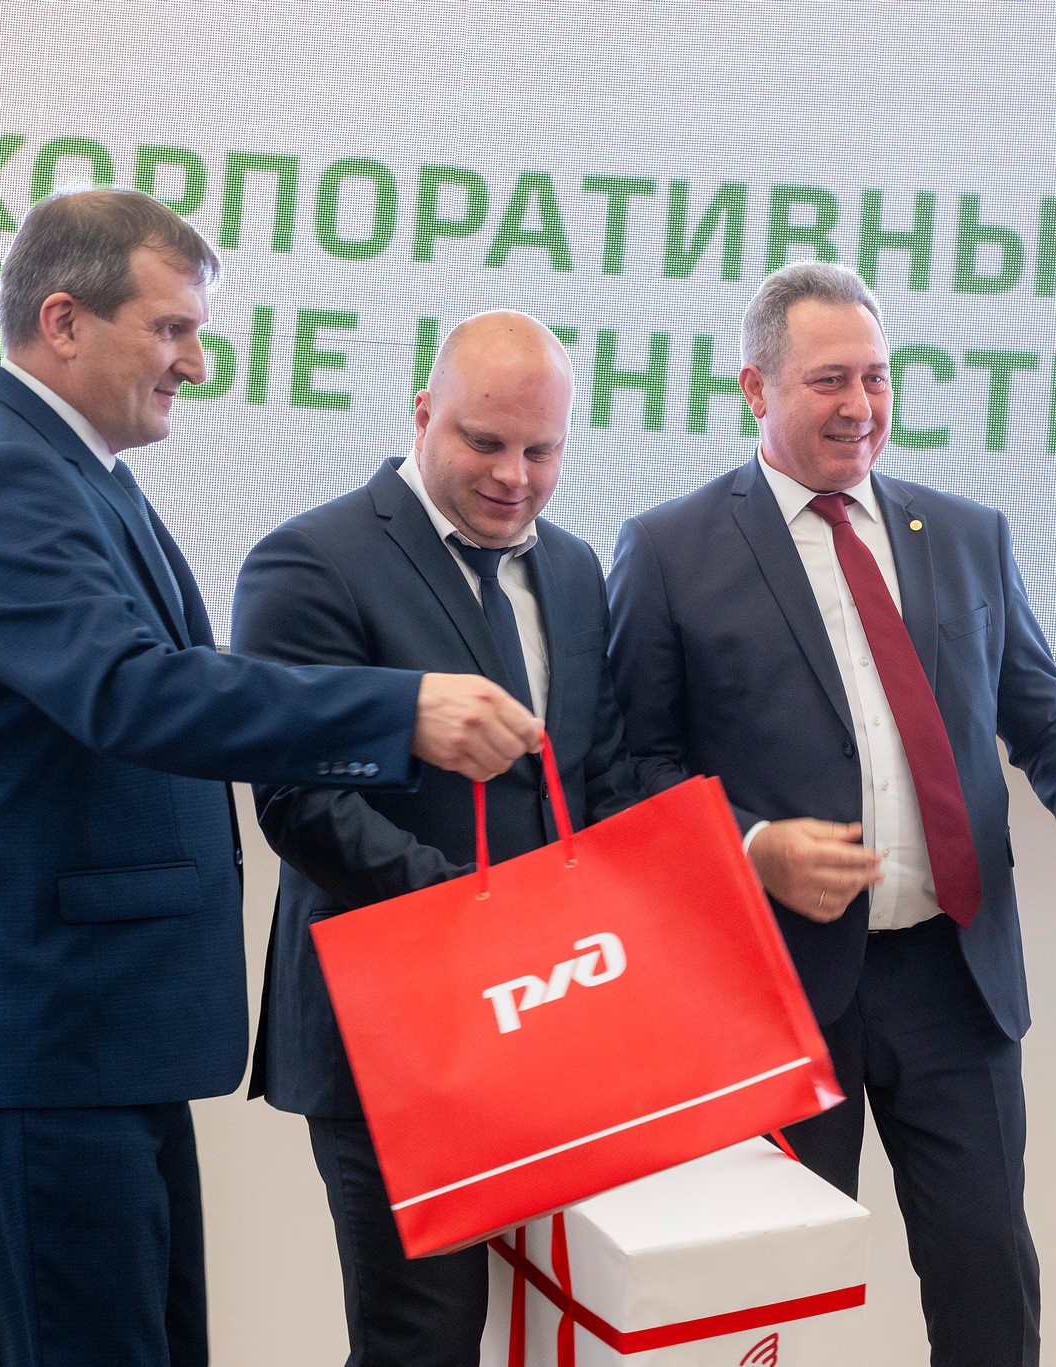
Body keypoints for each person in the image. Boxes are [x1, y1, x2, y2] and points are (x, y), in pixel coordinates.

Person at [0, 189, 541, 1367]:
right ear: (62, 320)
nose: (195, 362)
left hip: (100, 1040)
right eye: (170, 329)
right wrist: (397, 708)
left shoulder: (74, 469)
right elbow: (133, 692)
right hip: (46, 1043)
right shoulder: (7, 478)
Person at [606, 261, 1056, 1367]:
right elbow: (624, 769)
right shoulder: (669, 549)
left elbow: (1042, 710)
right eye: (828, 380)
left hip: (954, 976)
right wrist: (752, 846)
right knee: (764, 1302)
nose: (860, 405)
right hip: (773, 988)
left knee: (987, 1278)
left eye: (877, 377)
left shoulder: (964, 533)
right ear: (755, 387)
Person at [231, 311, 638, 1367]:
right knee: (422, 1343)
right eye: (484, 442)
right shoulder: (311, 559)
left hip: (555, 1023)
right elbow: (299, 800)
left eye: (541, 450)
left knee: (571, 1326)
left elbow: (589, 778)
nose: (513, 476)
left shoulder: (577, 568)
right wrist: (484, 918)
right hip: (397, 1038)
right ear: (422, 414)